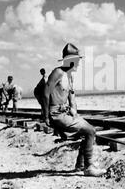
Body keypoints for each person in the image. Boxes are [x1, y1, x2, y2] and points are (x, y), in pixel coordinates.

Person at [42, 43, 106, 177]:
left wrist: (74, 109)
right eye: (76, 61)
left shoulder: (68, 75)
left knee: (88, 130)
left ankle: (81, 165)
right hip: (57, 114)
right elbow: (45, 93)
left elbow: (71, 95)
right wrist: (47, 116)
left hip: (64, 112)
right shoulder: (58, 72)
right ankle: (88, 166)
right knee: (90, 131)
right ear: (69, 60)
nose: (78, 63)